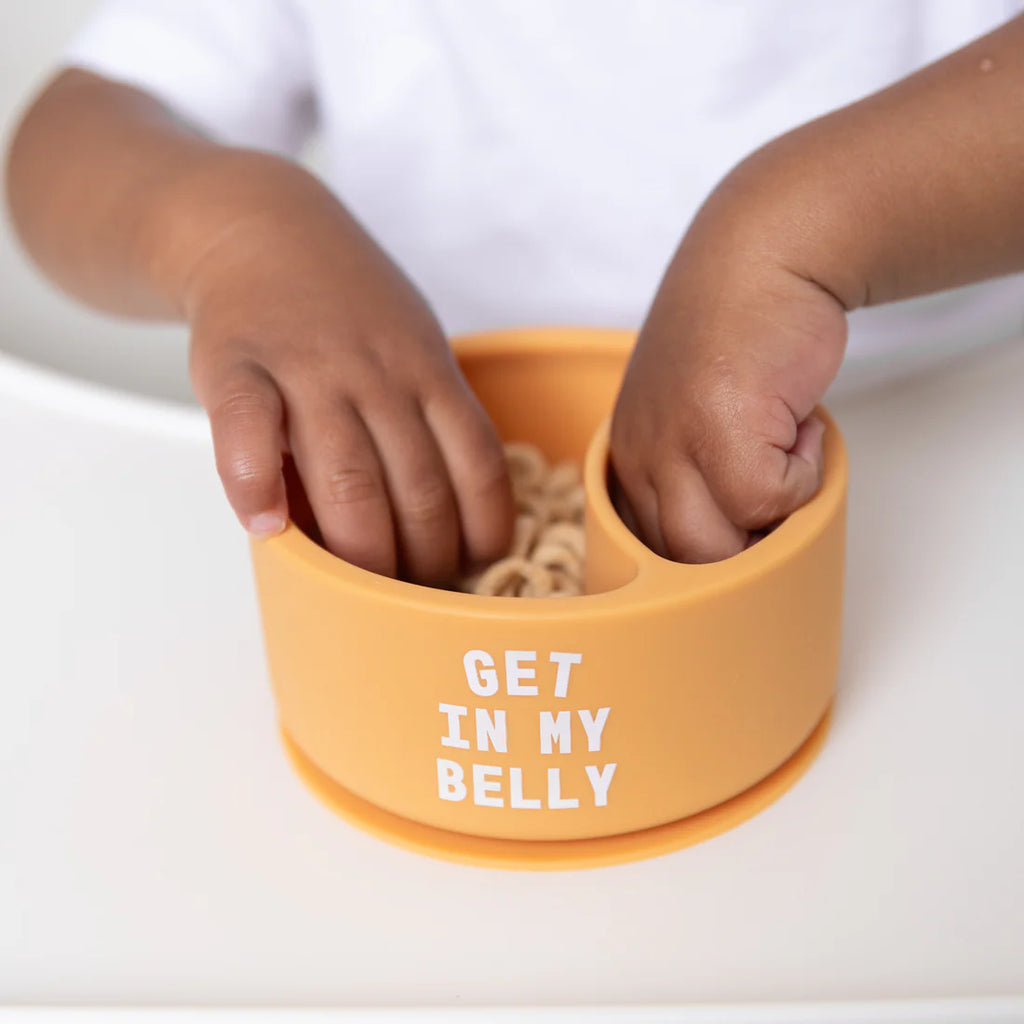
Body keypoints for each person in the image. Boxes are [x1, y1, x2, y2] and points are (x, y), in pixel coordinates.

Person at [6, 0, 1024, 584]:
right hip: (449, 465)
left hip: (964, 459)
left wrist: (802, 230)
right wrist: (230, 235)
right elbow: (69, 135)